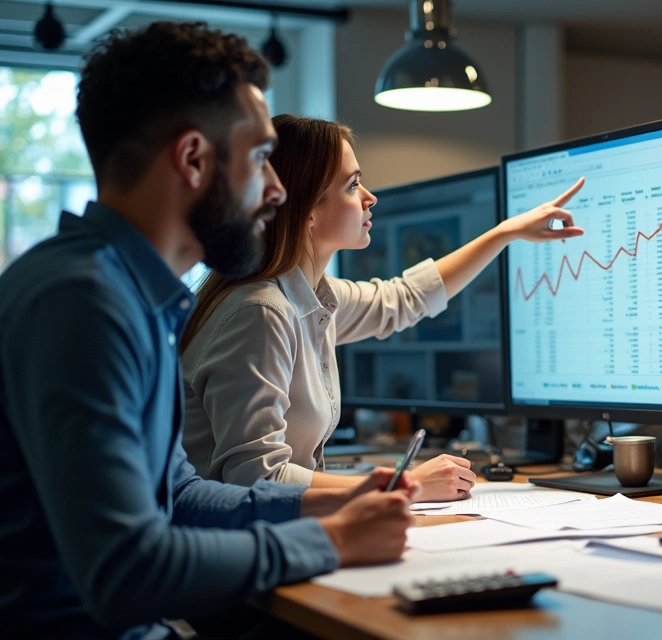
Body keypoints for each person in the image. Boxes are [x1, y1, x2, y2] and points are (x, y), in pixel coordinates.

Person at [0, 22, 420, 637]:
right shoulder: (83, 303)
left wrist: (334, 499)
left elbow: (183, 496)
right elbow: (128, 571)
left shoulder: (132, 296)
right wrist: (330, 542)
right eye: (259, 159)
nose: (277, 191)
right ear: (193, 158)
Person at [177, 114, 584, 501]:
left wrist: (504, 234)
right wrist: (403, 484)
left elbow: (405, 298)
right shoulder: (261, 312)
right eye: (353, 185)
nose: (370, 198)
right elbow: (256, 477)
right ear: (309, 210)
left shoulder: (311, 296)